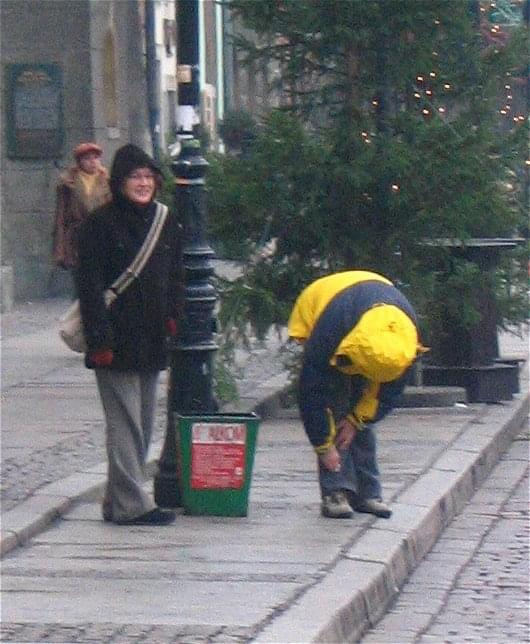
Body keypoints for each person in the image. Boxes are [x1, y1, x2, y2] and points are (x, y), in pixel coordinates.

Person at [76, 144, 184, 526]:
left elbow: (175, 273)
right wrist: (99, 340)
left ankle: (117, 499)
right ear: (119, 182)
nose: (142, 184)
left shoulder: (164, 220)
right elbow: (88, 287)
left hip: (152, 337)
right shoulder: (98, 225)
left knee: (142, 421)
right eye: (134, 177)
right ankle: (133, 505)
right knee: (125, 424)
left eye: (147, 177)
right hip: (115, 339)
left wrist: (174, 315)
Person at [288, 270, 425, 520]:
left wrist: (357, 420)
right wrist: (323, 446)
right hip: (325, 305)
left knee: (360, 417)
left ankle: (367, 493)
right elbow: (312, 395)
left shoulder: (404, 340)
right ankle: (335, 492)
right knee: (337, 404)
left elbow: (386, 395)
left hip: (364, 312)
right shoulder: (329, 335)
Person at [53, 142, 110, 275]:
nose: (92, 162)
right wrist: (60, 249)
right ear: (79, 161)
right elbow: (60, 218)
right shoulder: (67, 183)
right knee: (81, 277)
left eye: (95, 158)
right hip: (76, 238)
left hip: (102, 235)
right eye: (87, 158)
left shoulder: (107, 181)